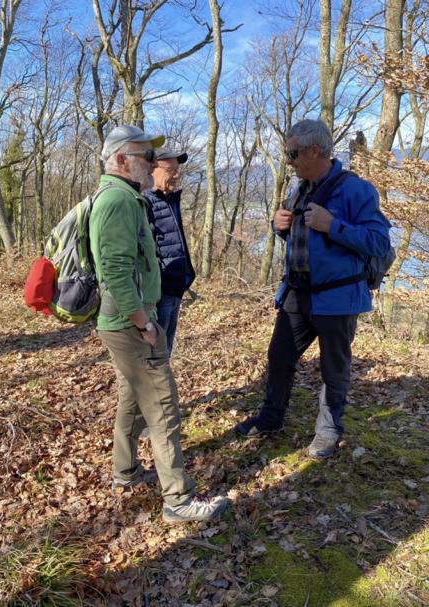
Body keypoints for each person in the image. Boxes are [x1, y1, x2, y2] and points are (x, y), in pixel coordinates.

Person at [89, 124, 228, 522]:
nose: (152, 163)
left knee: (133, 397)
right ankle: (178, 501)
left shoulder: (122, 196)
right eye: (146, 156)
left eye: (153, 157)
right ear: (121, 159)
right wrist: (143, 323)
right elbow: (115, 271)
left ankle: (126, 471)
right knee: (164, 407)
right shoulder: (119, 200)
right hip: (130, 323)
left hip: (124, 321)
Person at [234, 119, 391, 458]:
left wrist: (333, 225)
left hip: (337, 298)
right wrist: (279, 228)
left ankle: (328, 431)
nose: (288, 161)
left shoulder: (356, 190)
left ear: (315, 150)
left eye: (293, 154)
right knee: (279, 357)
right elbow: (303, 239)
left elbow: (379, 242)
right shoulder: (300, 189)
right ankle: (270, 419)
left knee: (333, 369)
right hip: (297, 294)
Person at [143, 148, 195, 355]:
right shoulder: (145, 203)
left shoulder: (170, 199)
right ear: (152, 170)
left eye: (177, 170)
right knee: (154, 353)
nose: (176, 175)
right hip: (159, 294)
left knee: (166, 350)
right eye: (170, 170)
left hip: (176, 289)